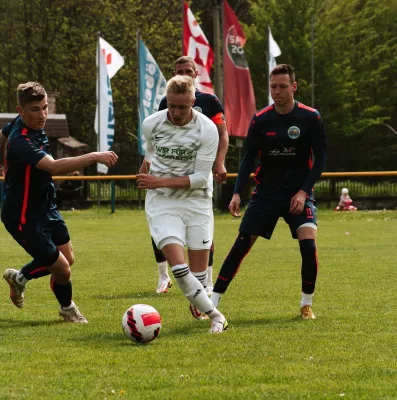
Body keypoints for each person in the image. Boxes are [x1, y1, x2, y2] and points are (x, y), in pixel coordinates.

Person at [210, 64, 328, 320]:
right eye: (273, 87)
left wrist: (303, 192)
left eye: (283, 86)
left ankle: (306, 305)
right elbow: (248, 158)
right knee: (241, 244)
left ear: (294, 87)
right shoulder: (261, 119)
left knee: (308, 246)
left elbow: (320, 159)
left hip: (298, 194)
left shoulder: (310, 118)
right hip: (266, 193)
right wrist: (237, 193)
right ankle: (211, 303)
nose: (277, 91)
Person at [0, 82, 118, 322]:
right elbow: (53, 166)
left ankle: (20, 277)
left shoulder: (19, 123)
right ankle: (67, 309)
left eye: (45, 108)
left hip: (46, 206)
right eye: (35, 109)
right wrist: (95, 156)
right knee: (63, 269)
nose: (42, 115)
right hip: (23, 216)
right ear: (20, 110)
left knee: (68, 258)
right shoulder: (21, 141)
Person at [137, 75, 228, 333]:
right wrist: (148, 173)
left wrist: (158, 181)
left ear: (193, 102)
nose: (176, 112)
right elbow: (150, 155)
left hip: (197, 202)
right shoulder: (151, 124)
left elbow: (201, 178)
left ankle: (199, 301)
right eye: (171, 106)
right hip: (162, 203)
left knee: (199, 277)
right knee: (178, 267)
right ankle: (218, 316)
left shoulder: (207, 129)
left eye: (182, 107)